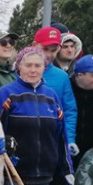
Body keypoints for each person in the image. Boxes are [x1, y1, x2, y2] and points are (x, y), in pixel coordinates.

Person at [0, 46, 74, 185]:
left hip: (44, 172)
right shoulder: (7, 94)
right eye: (28, 65)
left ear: (44, 68)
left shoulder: (51, 97)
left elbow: (61, 137)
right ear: (18, 67)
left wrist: (67, 170)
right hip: (14, 172)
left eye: (38, 65)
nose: (33, 70)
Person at [31, 26, 78, 155]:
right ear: (34, 45)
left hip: (53, 145)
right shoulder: (18, 72)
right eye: (45, 49)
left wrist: (69, 140)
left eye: (54, 50)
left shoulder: (62, 76)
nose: (49, 55)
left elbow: (69, 111)